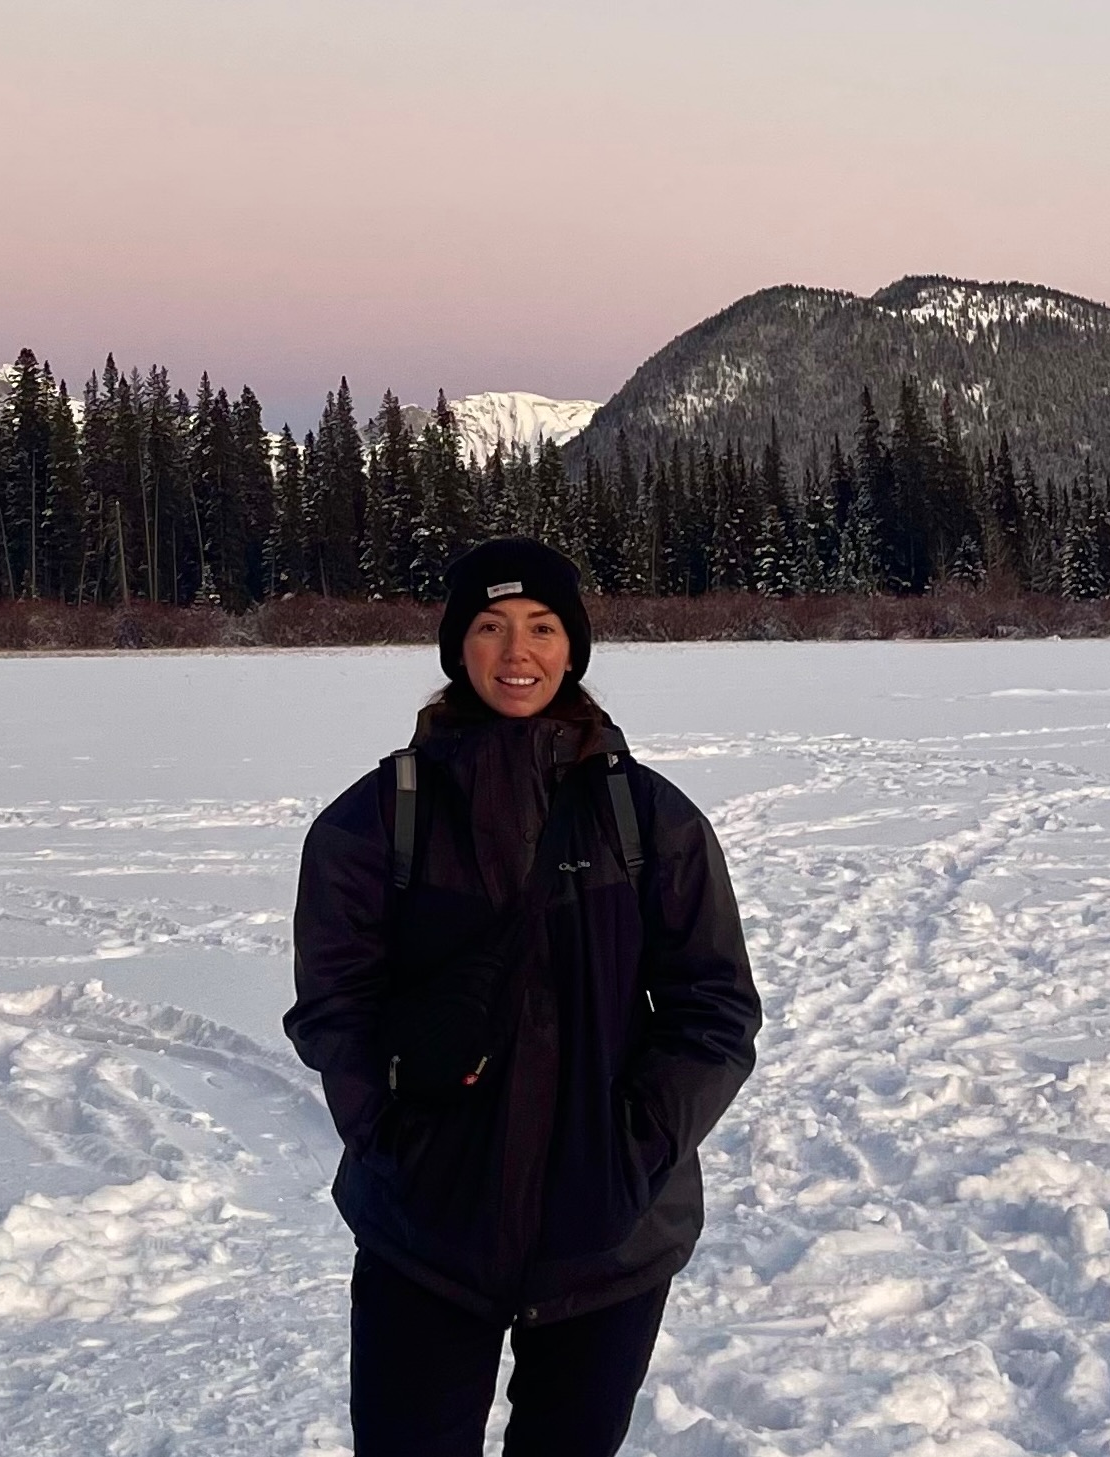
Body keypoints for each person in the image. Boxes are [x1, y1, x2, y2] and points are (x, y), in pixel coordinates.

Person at [285, 537, 761, 1457]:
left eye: (542, 627)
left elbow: (715, 1007)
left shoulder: (648, 819)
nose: (517, 652)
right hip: (425, 1234)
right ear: (456, 647)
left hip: (610, 1239)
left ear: (573, 647)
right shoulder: (377, 819)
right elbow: (332, 1007)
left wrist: (637, 1149)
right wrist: (396, 1145)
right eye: (491, 627)